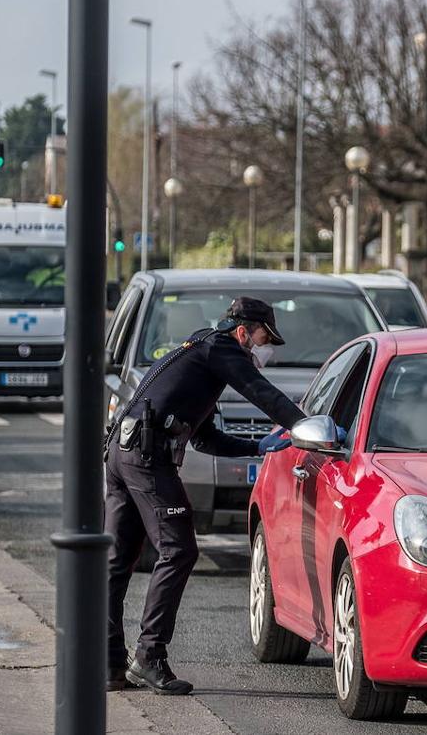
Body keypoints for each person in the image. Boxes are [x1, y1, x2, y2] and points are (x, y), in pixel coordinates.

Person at [105, 297, 308, 695]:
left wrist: (257, 446)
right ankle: (149, 656)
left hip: (122, 453)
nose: (263, 348)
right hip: (146, 457)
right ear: (243, 330)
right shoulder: (222, 347)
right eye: (264, 337)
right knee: (179, 550)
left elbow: (205, 437)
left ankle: (109, 665)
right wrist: (304, 424)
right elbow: (261, 393)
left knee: (118, 561)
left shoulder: (201, 351)